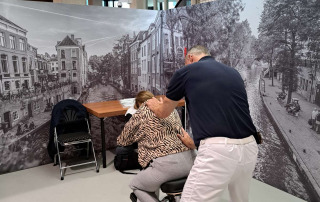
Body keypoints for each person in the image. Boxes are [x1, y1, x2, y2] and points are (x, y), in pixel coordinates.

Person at [146, 45, 259, 202]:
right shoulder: (233, 73)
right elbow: (224, 115)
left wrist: (153, 104)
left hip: (219, 153)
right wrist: (193, 143)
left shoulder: (185, 72)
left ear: (190, 58)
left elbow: (163, 112)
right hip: (249, 148)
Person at [117, 91, 196, 202]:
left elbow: (122, 140)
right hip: (191, 161)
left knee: (136, 185)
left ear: (139, 104)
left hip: (167, 166)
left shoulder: (141, 113)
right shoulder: (170, 109)